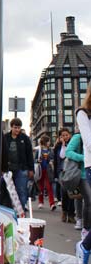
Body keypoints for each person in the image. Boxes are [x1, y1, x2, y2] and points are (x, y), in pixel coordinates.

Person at [4, 118, 34, 212]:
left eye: (19, 128)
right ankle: (9, 212)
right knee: (8, 191)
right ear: (11, 127)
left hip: (21, 169)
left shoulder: (25, 138)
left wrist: (31, 169)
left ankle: (21, 213)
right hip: (8, 169)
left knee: (22, 191)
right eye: (15, 127)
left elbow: (29, 154)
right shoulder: (5, 137)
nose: (17, 130)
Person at [76, 84, 91, 248]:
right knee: (88, 201)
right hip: (86, 169)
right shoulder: (83, 113)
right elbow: (89, 143)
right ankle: (85, 240)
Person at [54, 128, 77, 223]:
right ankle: (64, 212)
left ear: (70, 135)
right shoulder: (58, 146)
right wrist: (63, 145)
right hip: (62, 171)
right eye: (62, 135)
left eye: (66, 135)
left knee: (72, 193)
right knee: (64, 192)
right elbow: (61, 156)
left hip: (72, 171)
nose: (65, 137)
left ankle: (71, 214)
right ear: (60, 137)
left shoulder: (74, 144)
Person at [36, 135, 56, 211]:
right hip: (40, 170)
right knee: (40, 186)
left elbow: (52, 158)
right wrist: (38, 161)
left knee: (49, 187)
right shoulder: (39, 150)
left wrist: (51, 161)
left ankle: (52, 204)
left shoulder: (50, 150)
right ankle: (40, 202)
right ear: (45, 142)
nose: (49, 143)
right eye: (48, 141)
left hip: (48, 170)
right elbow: (35, 160)